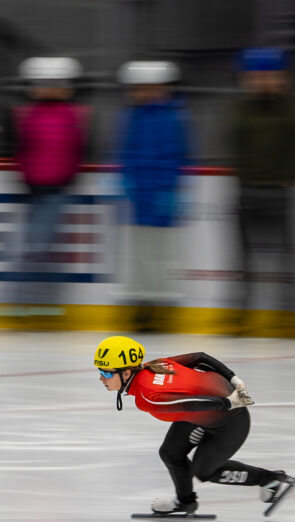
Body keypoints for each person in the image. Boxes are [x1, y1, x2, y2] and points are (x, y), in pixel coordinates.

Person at [93, 335, 295, 515]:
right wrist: (233, 378)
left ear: (127, 373)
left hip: (230, 421)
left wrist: (228, 403)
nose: (102, 378)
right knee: (170, 452)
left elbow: (188, 404)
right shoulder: (154, 366)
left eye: (107, 373)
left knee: (204, 471)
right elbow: (200, 357)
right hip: (212, 410)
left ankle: (270, 479)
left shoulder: (147, 397)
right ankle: (185, 502)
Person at [227, 47, 295, 337]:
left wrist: (289, 176)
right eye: (255, 75)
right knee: (243, 259)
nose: (261, 81)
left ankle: (292, 320)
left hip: (280, 190)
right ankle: (240, 317)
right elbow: (234, 142)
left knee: (289, 259)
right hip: (248, 189)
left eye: (269, 75)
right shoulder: (241, 107)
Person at [6, 56, 90, 318]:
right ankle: (23, 301)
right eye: (44, 83)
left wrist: (69, 176)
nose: (50, 89)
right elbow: (20, 148)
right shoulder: (27, 114)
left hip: (57, 189)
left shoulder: (73, 115)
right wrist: (23, 176)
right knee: (32, 247)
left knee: (45, 247)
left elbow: (78, 149)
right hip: (34, 189)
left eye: (56, 84)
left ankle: (43, 301)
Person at [114, 61, 192, 333]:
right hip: (138, 199)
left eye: (143, 88)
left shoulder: (172, 118)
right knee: (138, 256)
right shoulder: (131, 117)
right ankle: (141, 310)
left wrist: (170, 189)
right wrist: (125, 180)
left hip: (160, 198)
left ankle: (161, 310)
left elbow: (176, 156)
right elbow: (127, 152)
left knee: (161, 256)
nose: (137, 93)